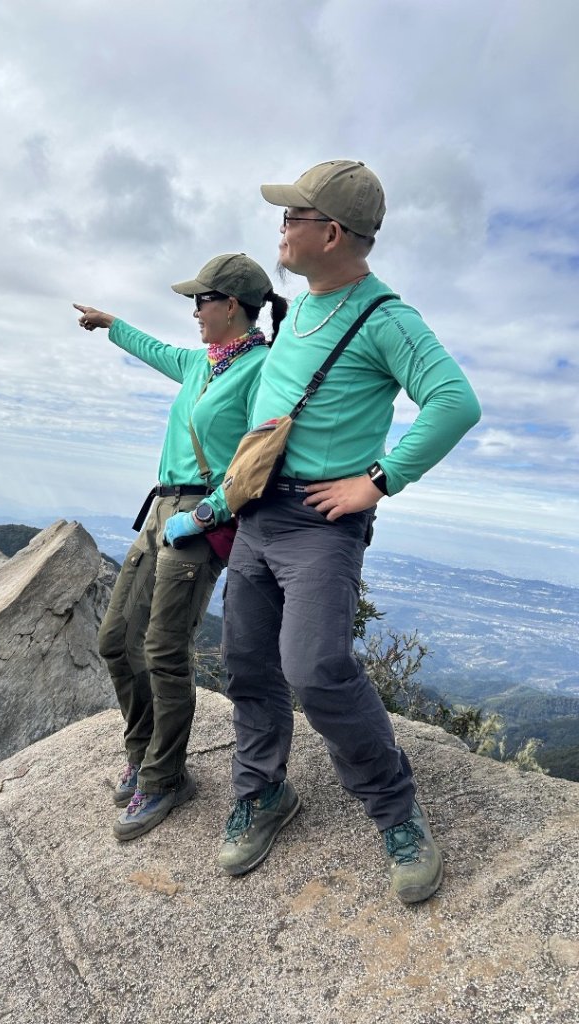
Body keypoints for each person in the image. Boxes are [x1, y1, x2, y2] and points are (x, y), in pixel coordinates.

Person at [165, 161, 481, 904]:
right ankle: (264, 792)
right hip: (256, 515)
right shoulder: (297, 312)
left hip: (319, 524)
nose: (280, 228)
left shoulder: (386, 318)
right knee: (247, 663)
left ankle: (396, 812)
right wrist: (219, 501)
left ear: (331, 232)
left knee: (316, 669)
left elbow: (453, 401)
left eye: (291, 217)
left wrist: (378, 480)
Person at [74, 254, 288, 842]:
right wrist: (108, 322)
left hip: (200, 518)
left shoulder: (264, 370)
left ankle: (165, 778)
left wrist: (201, 517)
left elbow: (258, 463)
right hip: (160, 510)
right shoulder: (201, 363)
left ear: (233, 307)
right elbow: (154, 350)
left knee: (165, 650)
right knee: (115, 639)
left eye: (201, 299)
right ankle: (143, 755)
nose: (193, 310)